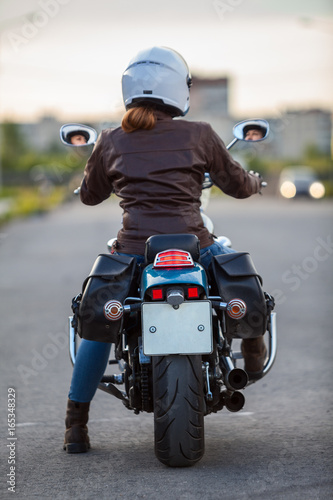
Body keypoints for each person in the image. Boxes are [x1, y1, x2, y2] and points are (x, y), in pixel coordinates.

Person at [63, 46, 267, 454]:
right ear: (179, 90)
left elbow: (89, 197)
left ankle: (75, 426)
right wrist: (255, 182)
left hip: (135, 252)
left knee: (98, 318)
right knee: (246, 293)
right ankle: (252, 358)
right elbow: (237, 184)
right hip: (195, 247)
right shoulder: (201, 134)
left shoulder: (110, 140)